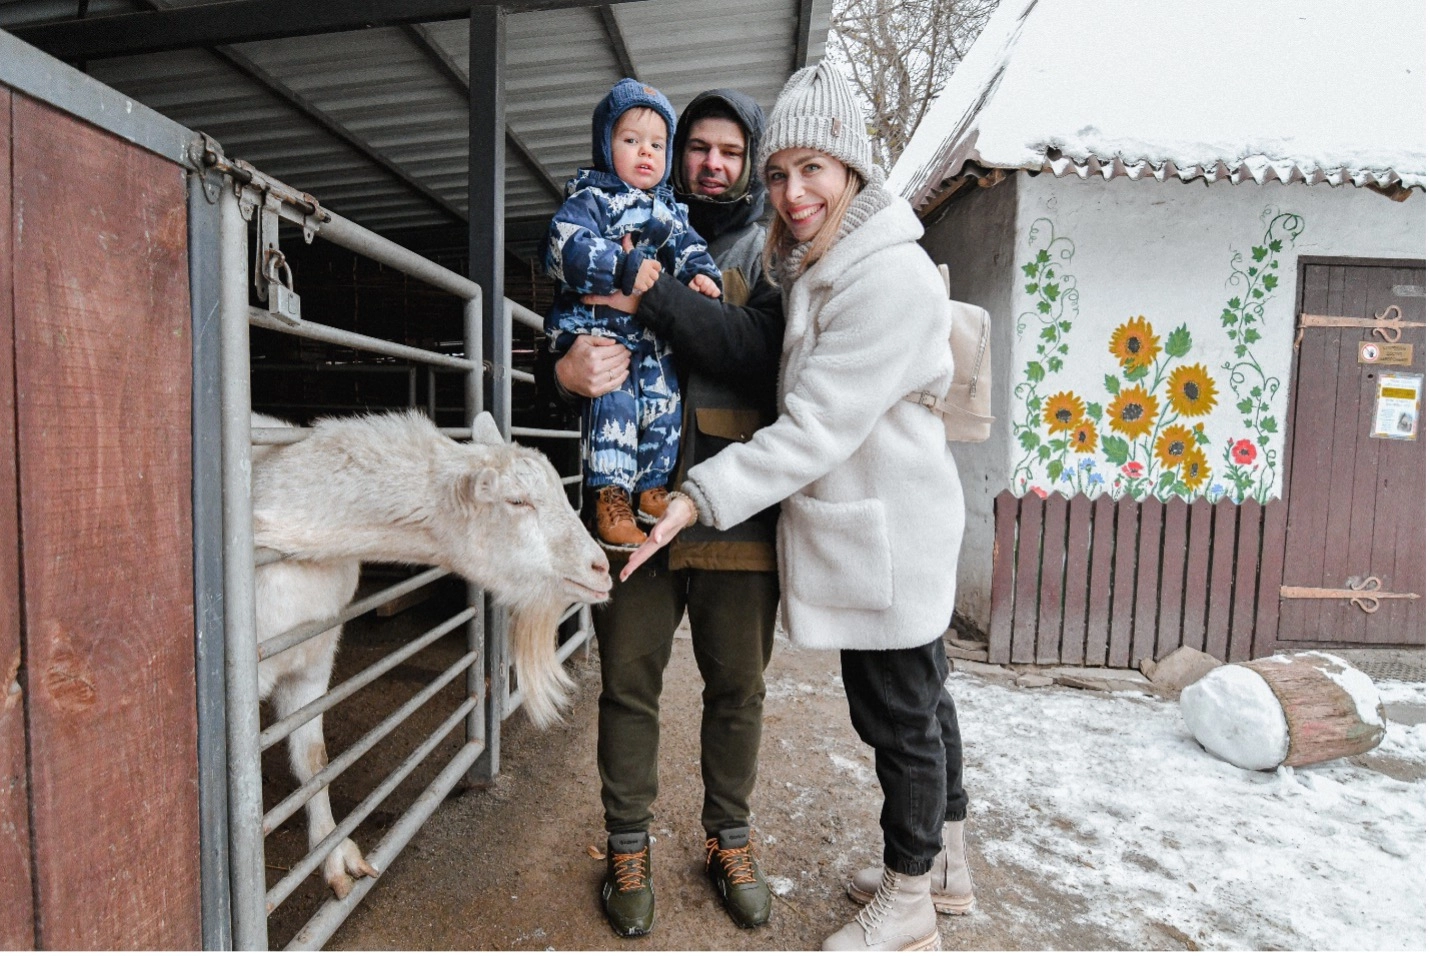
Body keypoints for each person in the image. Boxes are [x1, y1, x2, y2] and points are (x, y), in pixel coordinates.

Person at [621, 60, 975, 952]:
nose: (791, 191)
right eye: (778, 174)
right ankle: (944, 869)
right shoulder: (823, 261)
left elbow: (814, 427)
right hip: (879, 523)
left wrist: (700, 495)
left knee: (899, 716)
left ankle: (909, 903)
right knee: (918, 708)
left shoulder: (879, 277)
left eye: (811, 168)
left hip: (890, 526)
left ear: (852, 169)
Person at [554, 88, 786, 938]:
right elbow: (572, 314)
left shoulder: (770, 249)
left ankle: (729, 838)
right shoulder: (621, 217)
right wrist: (563, 367)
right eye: (698, 147)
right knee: (628, 683)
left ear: (751, 159)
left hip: (733, 504)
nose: (712, 164)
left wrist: (651, 297)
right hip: (630, 504)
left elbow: (753, 353)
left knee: (738, 688)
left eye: (730, 150)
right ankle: (627, 845)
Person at [543, 78, 723, 551]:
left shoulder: (670, 212)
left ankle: (652, 489)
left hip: (652, 339)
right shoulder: (590, 200)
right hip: (601, 334)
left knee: (665, 404)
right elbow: (564, 248)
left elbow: (689, 250)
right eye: (630, 140)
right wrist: (620, 267)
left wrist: (702, 277)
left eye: (657, 144)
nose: (646, 152)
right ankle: (611, 494)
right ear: (606, 146)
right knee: (614, 405)